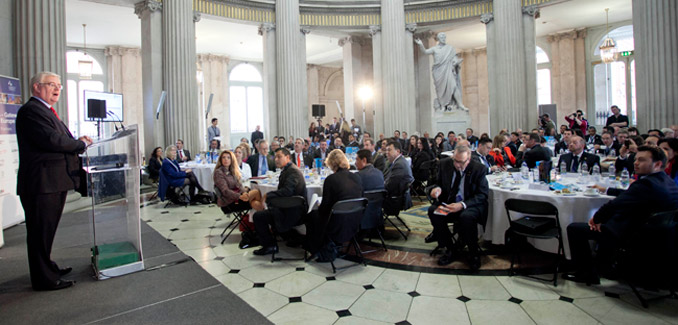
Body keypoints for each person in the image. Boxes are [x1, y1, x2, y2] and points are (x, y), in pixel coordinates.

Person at [16, 71, 93, 291]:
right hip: (42, 183)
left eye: (59, 85)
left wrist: (76, 141)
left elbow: (60, 139)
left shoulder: (46, 111)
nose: (57, 89)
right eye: (51, 84)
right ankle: (44, 280)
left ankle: (48, 268)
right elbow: (51, 140)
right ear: (36, 87)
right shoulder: (31, 111)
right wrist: (79, 144)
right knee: (40, 233)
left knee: (46, 232)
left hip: (53, 181)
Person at [564, 146, 678, 284]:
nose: (635, 163)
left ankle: (587, 274)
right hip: (659, 235)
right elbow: (629, 195)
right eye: (636, 159)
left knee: (575, 228)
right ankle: (604, 265)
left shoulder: (645, 184)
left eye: (641, 160)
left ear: (658, 164)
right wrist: (606, 190)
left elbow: (614, 205)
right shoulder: (667, 181)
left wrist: (597, 218)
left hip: (634, 235)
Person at [427, 146, 488, 269]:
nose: (457, 164)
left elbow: (482, 195)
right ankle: (450, 248)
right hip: (450, 204)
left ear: (468, 159)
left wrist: (462, 205)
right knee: (433, 211)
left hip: (469, 205)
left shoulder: (479, 169)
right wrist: (436, 189)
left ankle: (473, 252)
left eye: (461, 162)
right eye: (455, 160)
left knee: (466, 217)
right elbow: (437, 183)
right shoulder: (445, 164)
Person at [306, 149, 363, 255]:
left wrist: (318, 205)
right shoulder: (357, 177)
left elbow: (324, 209)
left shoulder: (330, 180)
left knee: (311, 215)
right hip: (355, 220)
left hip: (336, 223)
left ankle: (315, 248)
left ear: (331, 164)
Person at [252, 148, 307, 255]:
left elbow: (287, 191)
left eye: (279, 157)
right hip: (289, 208)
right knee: (265, 212)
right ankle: (292, 237)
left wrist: (268, 195)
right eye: (275, 157)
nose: (276, 159)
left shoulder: (293, 171)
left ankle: (270, 245)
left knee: (258, 216)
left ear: (287, 157)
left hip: (292, 211)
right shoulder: (288, 169)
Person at [414, 32, 467, 111]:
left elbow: (454, 58)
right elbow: (425, 52)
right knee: (440, 90)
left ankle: (460, 104)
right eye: (442, 37)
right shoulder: (434, 49)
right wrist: (421, 44)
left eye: (444, 37)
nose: (443, 39)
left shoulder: (450, 48)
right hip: (438, 71)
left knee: (453, 86)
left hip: (448, 70)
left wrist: (456, 62)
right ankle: (443, 105)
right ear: (438, 39)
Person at [384, 141, 414, 211]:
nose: (386, 152)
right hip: (397, 194)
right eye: (386, 150)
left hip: (396, 199)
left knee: (371, 198)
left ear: (397, 151)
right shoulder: (400, 161)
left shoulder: (399, 164)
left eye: (389, 150)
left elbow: (390, 185)